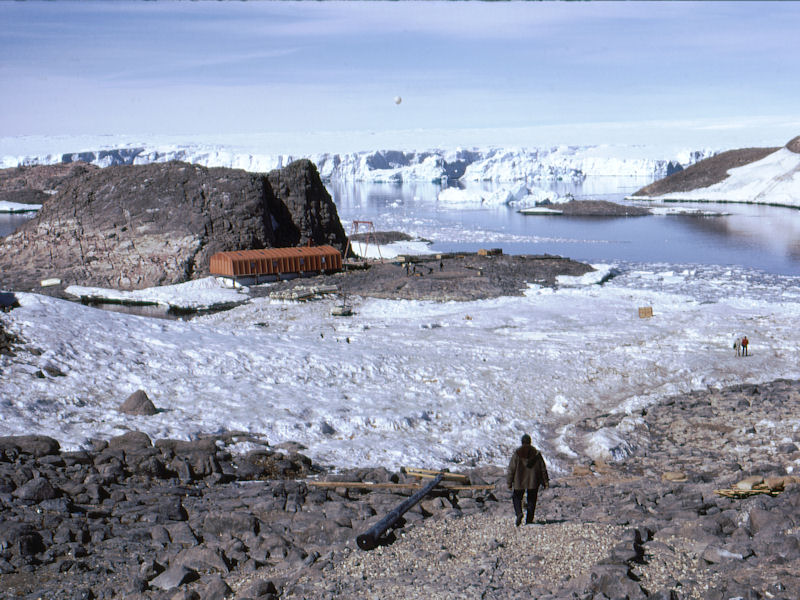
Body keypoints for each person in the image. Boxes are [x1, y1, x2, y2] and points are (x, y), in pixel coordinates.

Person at [506, 434, 549, 526]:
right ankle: (529, 520)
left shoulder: (517, 453)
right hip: (533, 481)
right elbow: (543, 468)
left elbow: (511, 469)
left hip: (519, 481)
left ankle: (519, 513)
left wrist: (509, 482)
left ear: (522, 442)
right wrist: (545, 481)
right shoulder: (536, 454)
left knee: (516, 497)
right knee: (532, 499)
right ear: (530, 442)